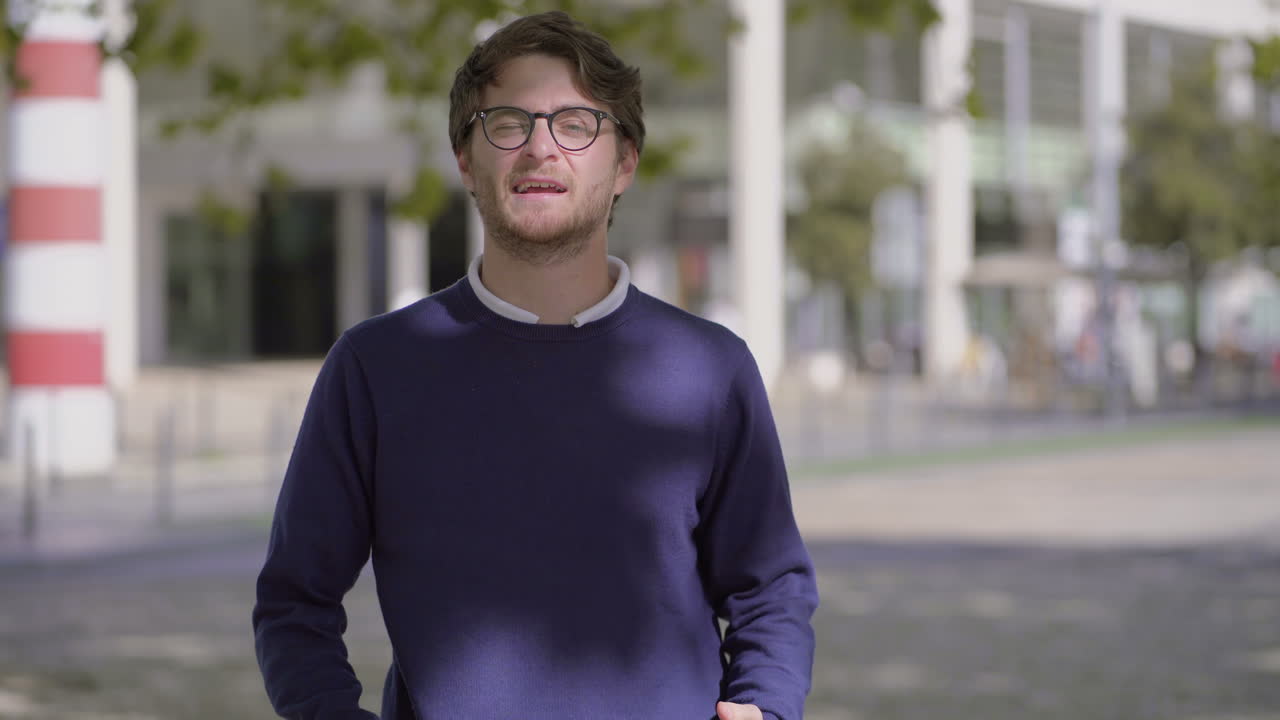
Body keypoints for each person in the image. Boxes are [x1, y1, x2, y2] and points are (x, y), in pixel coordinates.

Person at [253, 11, 818, 720]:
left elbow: (771, 588)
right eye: (508, 124)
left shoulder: (710, 369)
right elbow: (293, 600)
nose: (540, 148)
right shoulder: (376, 368)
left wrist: (765, 705)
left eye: (576, 124)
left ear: (625, 163)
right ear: (466, 160)